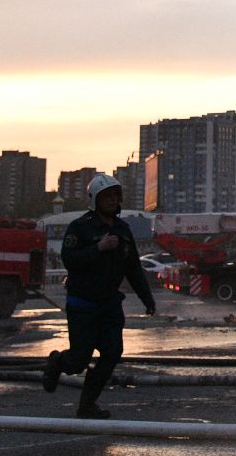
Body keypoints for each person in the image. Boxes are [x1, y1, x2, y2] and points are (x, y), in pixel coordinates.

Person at [42, 173, 155, 418]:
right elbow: (70, 259)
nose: (112, 200)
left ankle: (87, 404)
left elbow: (133, 268)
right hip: (83, 304)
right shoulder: (80, 227)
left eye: (116, 195)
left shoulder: (123, 230)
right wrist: (98, 248)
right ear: (95, 200)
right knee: (78, 362)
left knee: (112, 353)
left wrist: (148, 300)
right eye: (107, 196)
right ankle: (57, 362)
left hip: (110, 305)